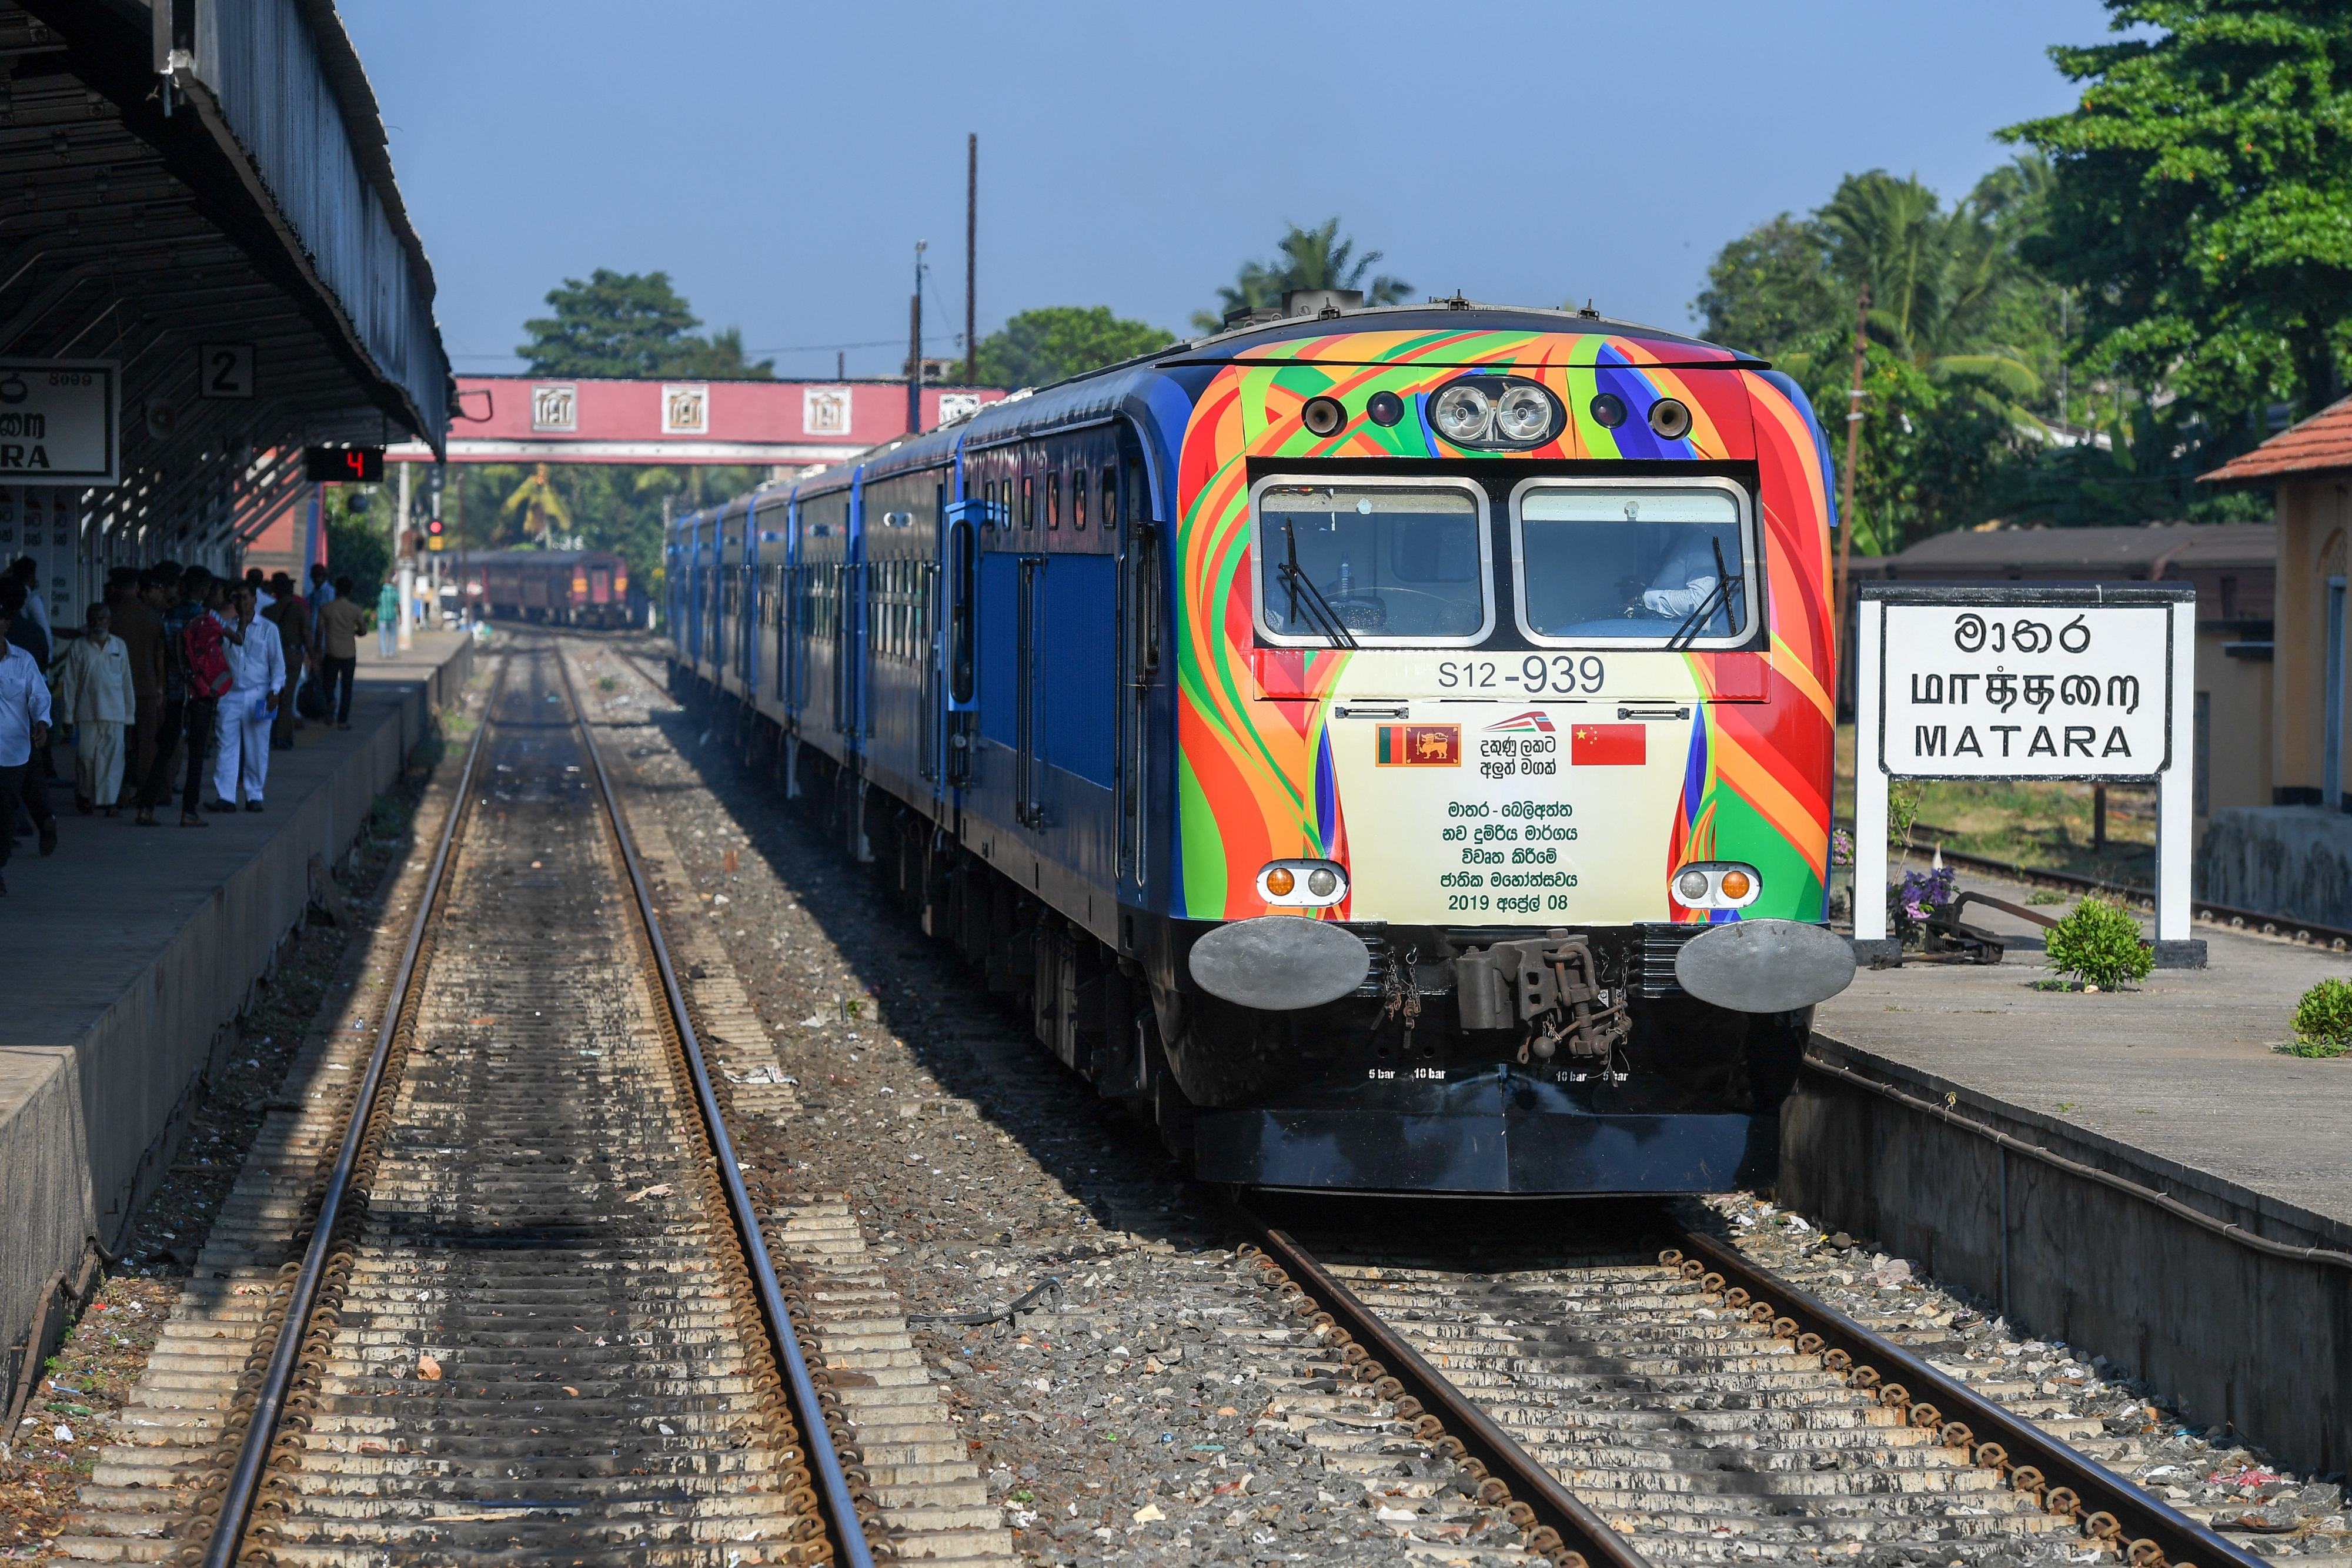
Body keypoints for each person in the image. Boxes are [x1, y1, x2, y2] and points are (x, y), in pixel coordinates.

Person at [136, 565, 222, 829]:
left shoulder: (168, 616)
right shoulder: (207, 618)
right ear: (206, 589)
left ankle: (146, 808)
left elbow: (163, 654)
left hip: (176, 692)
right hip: (199, 693)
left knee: (165, 750)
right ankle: (189, 812)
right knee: (196, 753)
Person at [55, 601, 135, 817]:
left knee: (113, 759)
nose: (97, 623)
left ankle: (110, 803)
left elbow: (127, 683)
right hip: (87, 712)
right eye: (93, 619)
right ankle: (84, 793)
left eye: (102, 619)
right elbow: (70, 684)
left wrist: (129, 717)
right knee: (86, 757)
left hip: (115, 712)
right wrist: (68, 718)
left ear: (109, 621)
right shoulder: (79, 646)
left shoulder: (119, 646)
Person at [209, 582, 283, 811]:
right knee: (226, 746)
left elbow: (277, 665)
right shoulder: (226, 630)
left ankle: (254, 795)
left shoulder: (268, 629)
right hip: (230, 694)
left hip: (259, 693)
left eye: (245, 598)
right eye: (237, 599)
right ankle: (226, 797)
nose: (241, 603)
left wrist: (275, 691)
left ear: (254, 600)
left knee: (257, 746)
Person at [0, 592, 53, 890]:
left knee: (6, 808)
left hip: (12, 752)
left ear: (6, 625)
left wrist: (42, 724)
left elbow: (39, 696)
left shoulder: (22, 661)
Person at [112, 567, 168, 798]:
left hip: (116, 689)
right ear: (136, 588)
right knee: (147, 743)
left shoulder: (108, 615)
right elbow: (160, 656)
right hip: (146, 687)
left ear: (115, 588)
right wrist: (160, 687)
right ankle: (147, 792)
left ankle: (120, 792)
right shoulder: (152, 616)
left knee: (119, 743)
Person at [314, 575, 364, 730]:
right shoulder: (355, 610)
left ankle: (331, 701)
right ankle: (342, 721)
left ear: (336, 590)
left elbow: (320, 632)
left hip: (331, 652)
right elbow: (363, 631)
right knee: (347, 687)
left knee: (328, 683)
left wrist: (316, 651)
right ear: (350, 591)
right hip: (349, 653)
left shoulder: (326, 609)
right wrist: (353, 631)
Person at [265, 572, 308, 748]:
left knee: (270, 694)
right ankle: (282, 736)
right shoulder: (300, 610)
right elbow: (306, 634)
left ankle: (266, 733)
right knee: (287, 697)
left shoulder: (267, 611)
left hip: (270, 656)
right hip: (292, 655)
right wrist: (312, 654)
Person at [376, 577, 399, 657]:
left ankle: (384, 652)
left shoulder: (380, 591)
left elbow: (376, 603)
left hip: (382, 615)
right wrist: (400, 616)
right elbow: (397, 604)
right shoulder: (394, 591)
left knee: (382, 635)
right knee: (393, 635)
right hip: (392, 615)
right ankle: (392, 652)